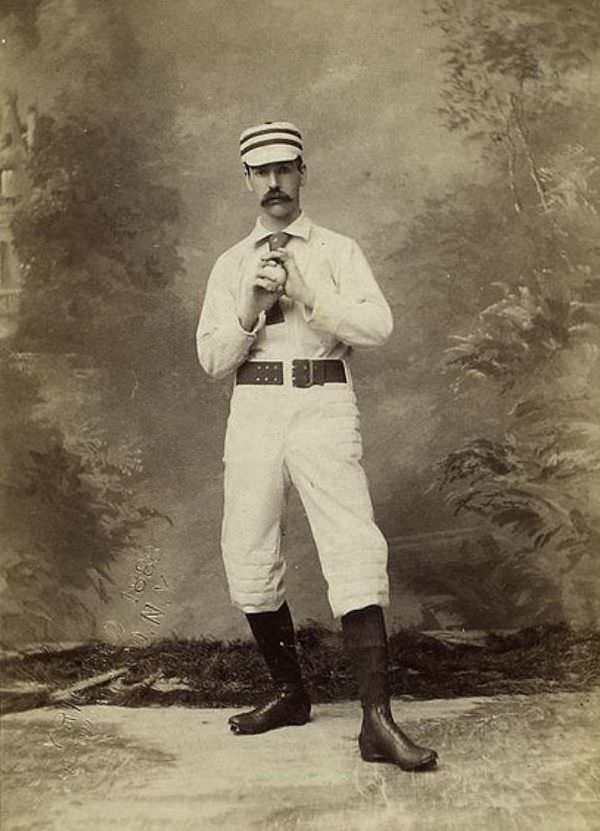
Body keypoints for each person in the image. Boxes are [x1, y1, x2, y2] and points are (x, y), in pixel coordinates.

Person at [196, 121, 437, 770]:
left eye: (286, 169)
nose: (275, 183)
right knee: (246, 546)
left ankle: (376, 720)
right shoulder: (229, 265)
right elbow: (213, 359)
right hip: (255, 407)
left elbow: (377, 325)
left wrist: (309, 295)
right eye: (262, 172)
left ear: (304, 171)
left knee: (353, 543)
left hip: (323, 401)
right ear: (246, 179)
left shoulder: (337, 250)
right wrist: (248, 307)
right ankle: (289, 691)